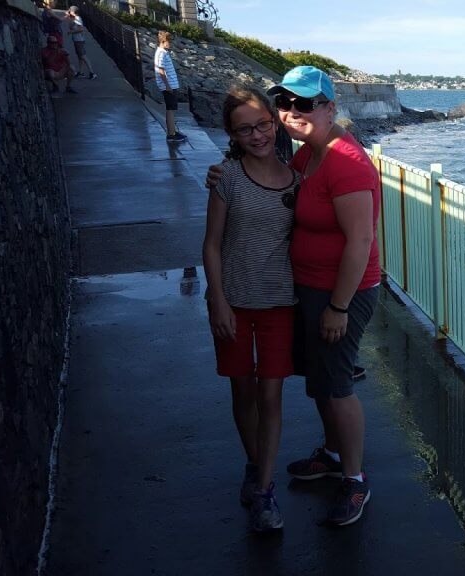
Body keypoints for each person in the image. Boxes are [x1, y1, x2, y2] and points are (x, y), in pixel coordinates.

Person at [270, 65, 381, 527]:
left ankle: (354, 480)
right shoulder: (308, 154)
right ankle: (333, 454)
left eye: (304, 104)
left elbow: (360, 242)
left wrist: (337, 306)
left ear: (330, 107)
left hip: (343, 293)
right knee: (320, 379)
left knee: (337, 386)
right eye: (284, 103)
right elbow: (279, 185)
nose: (291, 112)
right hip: (311, 286)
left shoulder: (346, 162)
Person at [202, 85, 300, 532]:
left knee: (271, 395)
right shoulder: (227, 179)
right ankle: (254, 463)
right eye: (245, 129)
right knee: (242, 393)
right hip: (233, 304)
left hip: (280, 303)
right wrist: (216, 298)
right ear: (232, 133)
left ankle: (263, 489)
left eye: (263, 124)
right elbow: (211, 245)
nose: (258, 134)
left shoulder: (297, 175)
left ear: (274, 121)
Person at [154, 31, 187, 142]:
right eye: (169, 41)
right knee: (170, 109)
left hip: (171, 85)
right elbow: (161, 70)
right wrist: (167, 86)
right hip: (168, 86)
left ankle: (172, 131)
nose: (170, 44)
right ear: (163, 41)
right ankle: (171, 134)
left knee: (171, 109)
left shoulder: (163, 52)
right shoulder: (161, 53)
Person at [66, 6, 97, 80]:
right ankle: (81, 72)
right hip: (77, 40)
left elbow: (80, 29)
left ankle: (92, 73)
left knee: (83, 56)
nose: (69, 11)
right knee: (80, 57)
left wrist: (71, 32)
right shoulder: (74, 18)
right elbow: (71, 27)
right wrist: (69, 19)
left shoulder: (77, 18)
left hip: (79, 40)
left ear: (73, 12)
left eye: (70, 11)